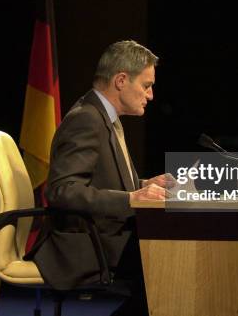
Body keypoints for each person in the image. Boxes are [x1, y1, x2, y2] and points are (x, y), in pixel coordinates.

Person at [25, 40, 172, 316]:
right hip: (85, 245)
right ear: (120, 80)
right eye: (146, 85)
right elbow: (62, 190)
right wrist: (131, 198)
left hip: (106, 236)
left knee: (169, 271)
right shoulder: (87, 119)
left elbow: (99, 182)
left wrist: (144, 186)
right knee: (170, 271)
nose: (150, 95)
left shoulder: (104, 116)